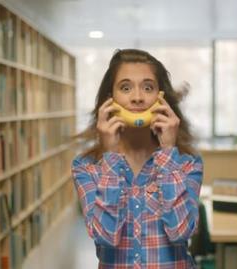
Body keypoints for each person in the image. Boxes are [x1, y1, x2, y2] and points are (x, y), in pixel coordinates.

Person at [72, 48, 203, 268]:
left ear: (161, 98)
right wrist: (111, 156)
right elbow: (105, 236)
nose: (137, 97)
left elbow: (181, 231)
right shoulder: (87, 167)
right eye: (125, 88)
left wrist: (168, 150)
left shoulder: (187, 163)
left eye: (148, 87)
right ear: (109, 99)